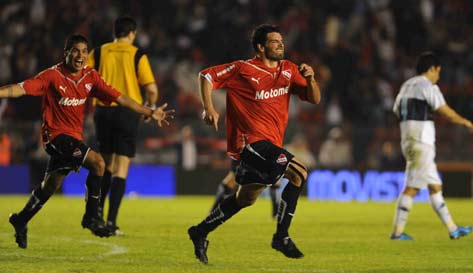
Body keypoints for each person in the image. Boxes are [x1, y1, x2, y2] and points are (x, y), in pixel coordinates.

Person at [1, 34, 173, 249]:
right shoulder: (52, 76)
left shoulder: (91, 76)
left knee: (50, 186)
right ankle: (91, 217)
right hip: (55, 137)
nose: (80, 55)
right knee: (98, 163)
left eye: (84, 51)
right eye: (75, 50)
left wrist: (149, 111)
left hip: (73, 138)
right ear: (66, 53)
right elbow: (20, 88)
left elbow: (121, 98)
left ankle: (21, 219)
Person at [187, 24, 321, 264]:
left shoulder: (289, 70)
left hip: (270, 144)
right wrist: (209, 107)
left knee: (245, 199)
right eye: (274, 41)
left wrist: (311, 79)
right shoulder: (242, 69)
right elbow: (206, 75)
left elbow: (314, 99)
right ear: (260, 47)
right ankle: (281, 236)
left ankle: (200, 231)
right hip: (249, 142)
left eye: (281, 41)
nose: (281, 44)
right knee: (299, 172)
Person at [86, 16, 159, 236]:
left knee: (104, 165)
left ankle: (96, 213)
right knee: (122, 167)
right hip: (129, 111)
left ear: (114, 32)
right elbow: (152, 89)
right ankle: (111, 222)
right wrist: (150, 107)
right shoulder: (137, 54)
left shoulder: (98, 52)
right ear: (132, 33)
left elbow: (84, 78)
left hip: (103, 111)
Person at [391, 51, 472, 240]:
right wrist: (465, 122)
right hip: (422, 140)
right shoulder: (427, 85)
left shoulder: (406, 85)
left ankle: (453, 229)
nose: (438, 76)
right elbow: (444, 110)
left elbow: (396, 110)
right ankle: (397, 232)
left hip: (409, 140)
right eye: (438, 72)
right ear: (432, 69)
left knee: (435, 186)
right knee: (412, 187)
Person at [210, 159, 281, 219]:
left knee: (274, 179)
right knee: (231, 180)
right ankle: (213, 212)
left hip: (260, 150)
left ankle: (276, 213)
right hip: (252, 150)